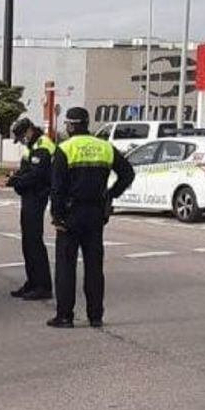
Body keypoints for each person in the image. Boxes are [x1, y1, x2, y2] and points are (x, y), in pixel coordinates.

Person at [47, 107, 135, 329]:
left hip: (70, 214)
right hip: (96, 213)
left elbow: (56, 187)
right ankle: (95, 316)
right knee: (94, 267)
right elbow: (127, 173)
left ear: (70, 125)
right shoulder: (105, 147)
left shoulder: (65, 148)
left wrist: (57, 216)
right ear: (87, 124)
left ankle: (65, 316)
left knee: (66, 266)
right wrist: (111, 195)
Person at [5, 118, 56, 300]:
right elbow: (26, 170)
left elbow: (36, 175)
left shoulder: (43, 146)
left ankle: (43, 285)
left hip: (37, 196)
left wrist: (14, 181)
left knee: (34, 241)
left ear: (29, 131)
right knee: (27, 241)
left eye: (21, 136)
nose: (21, 141)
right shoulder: (32, 146)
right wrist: (15, 176)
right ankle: (32, 281)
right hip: (29, 196)